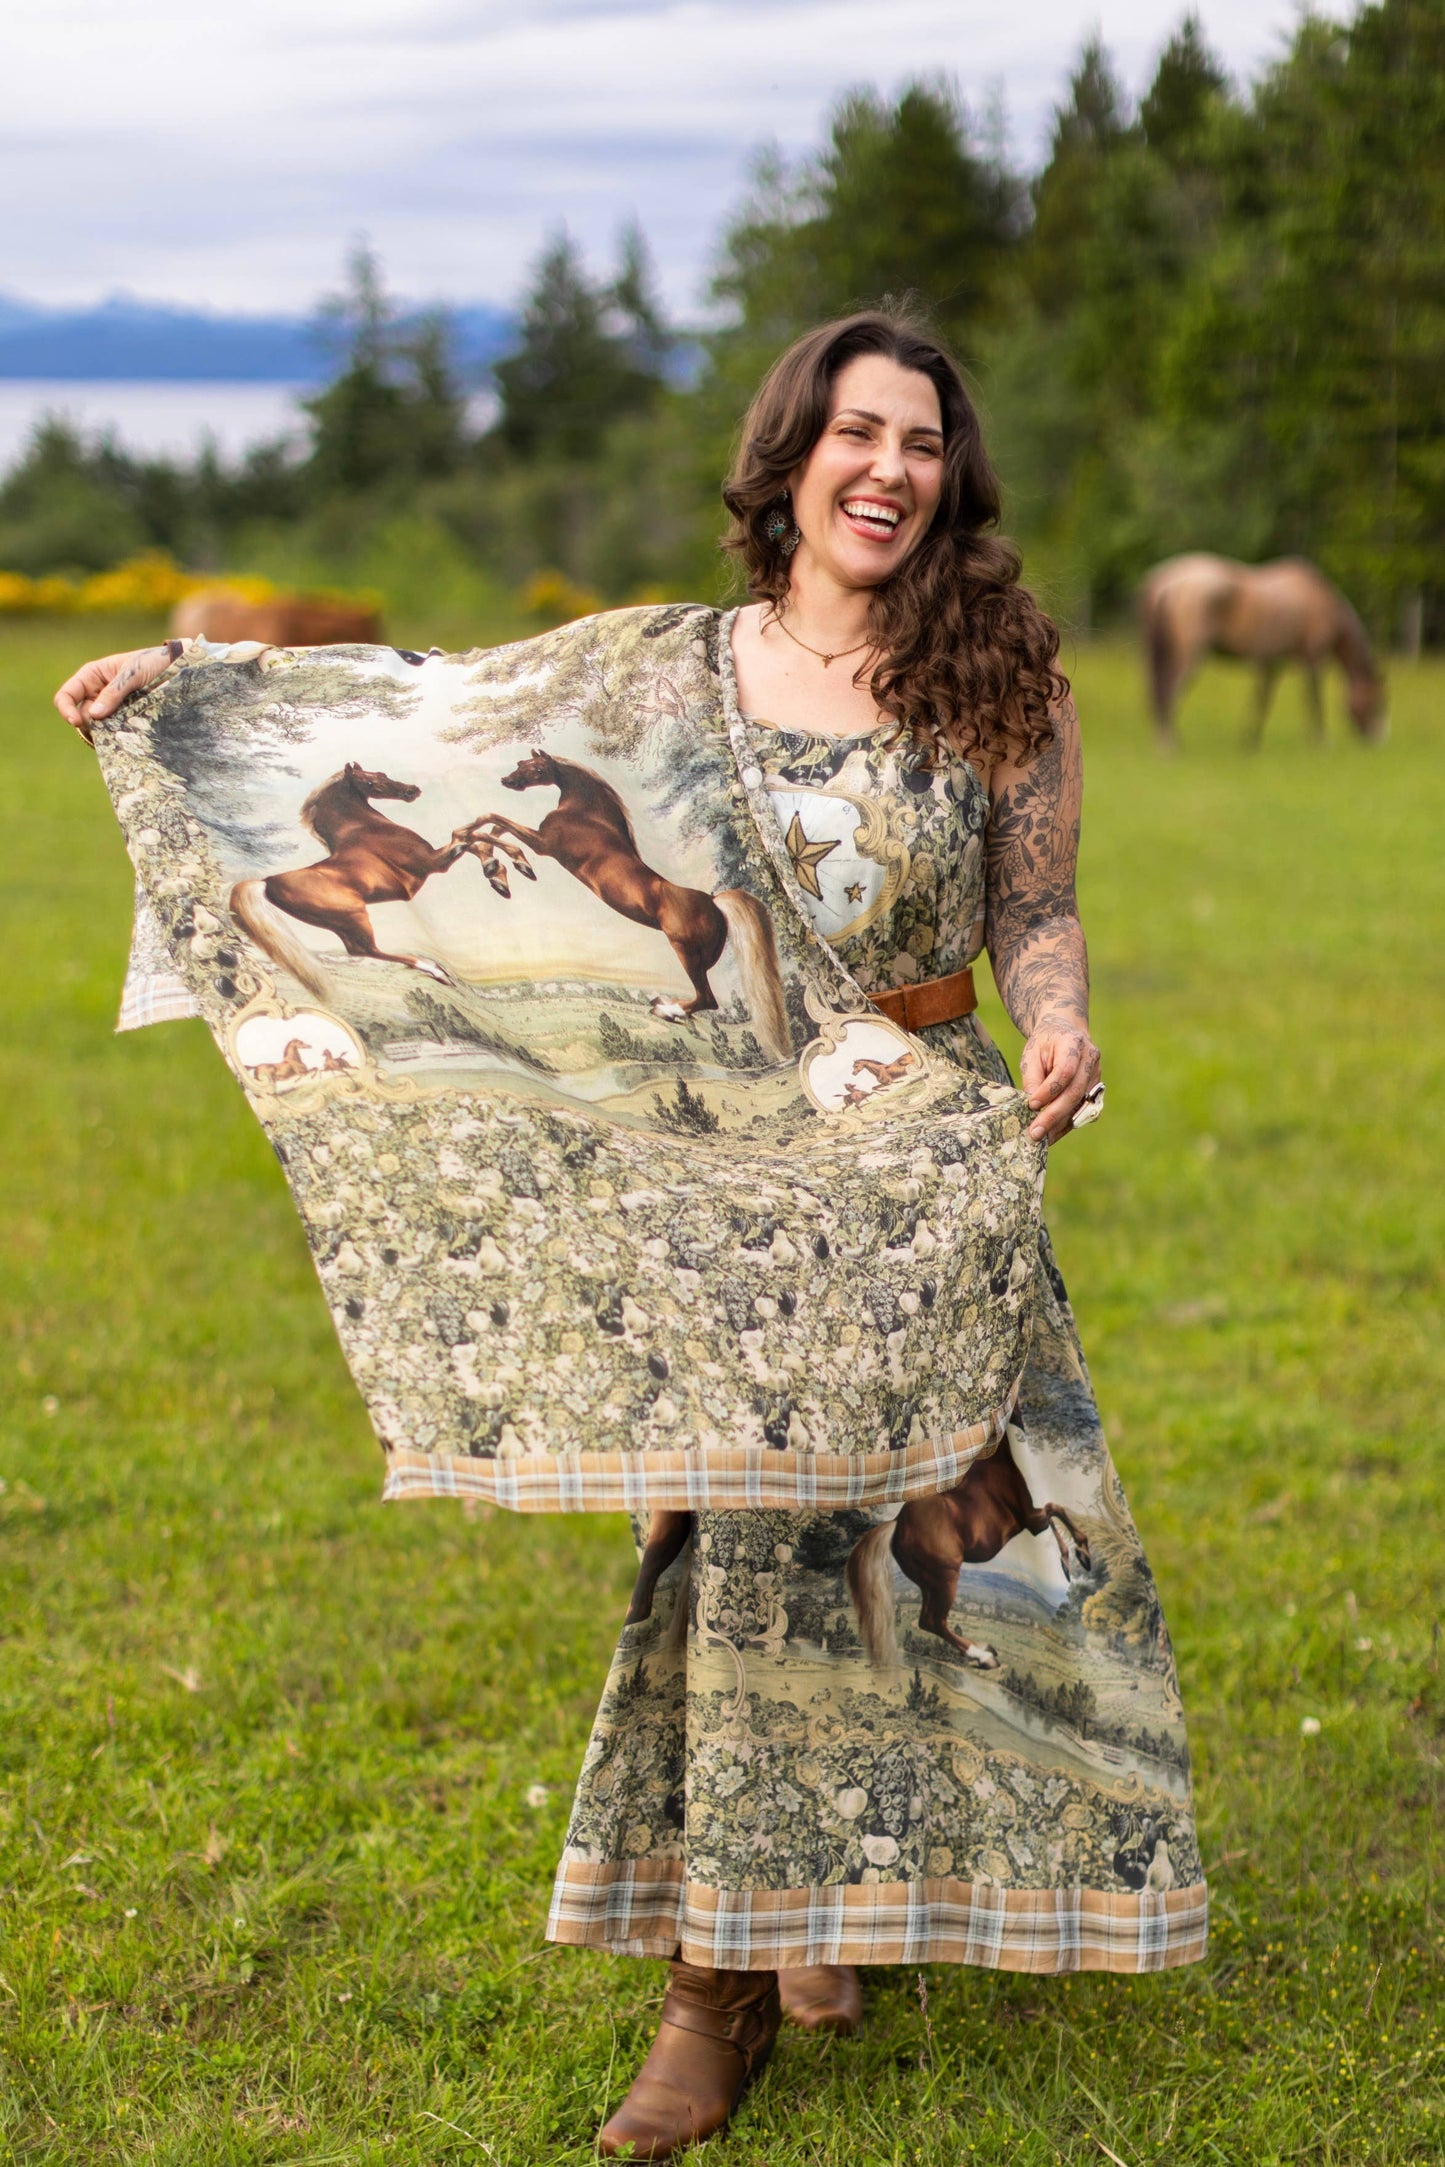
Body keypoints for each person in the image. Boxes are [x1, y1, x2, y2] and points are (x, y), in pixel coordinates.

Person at [57, 311, 1204, 2162]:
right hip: (728, 1156)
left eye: (917, 440)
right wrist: (192, 690)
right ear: (790, 460)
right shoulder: (680, 670)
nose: (886, 470)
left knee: (921, 1536)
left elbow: (1036, 904)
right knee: (737, 1545)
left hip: (919, 1156)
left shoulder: (1009, 676)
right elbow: (424, 710)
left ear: (953, 474)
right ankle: (712, 1996)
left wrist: (1057, 1013)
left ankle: (825, 1910)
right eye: (852, 434)